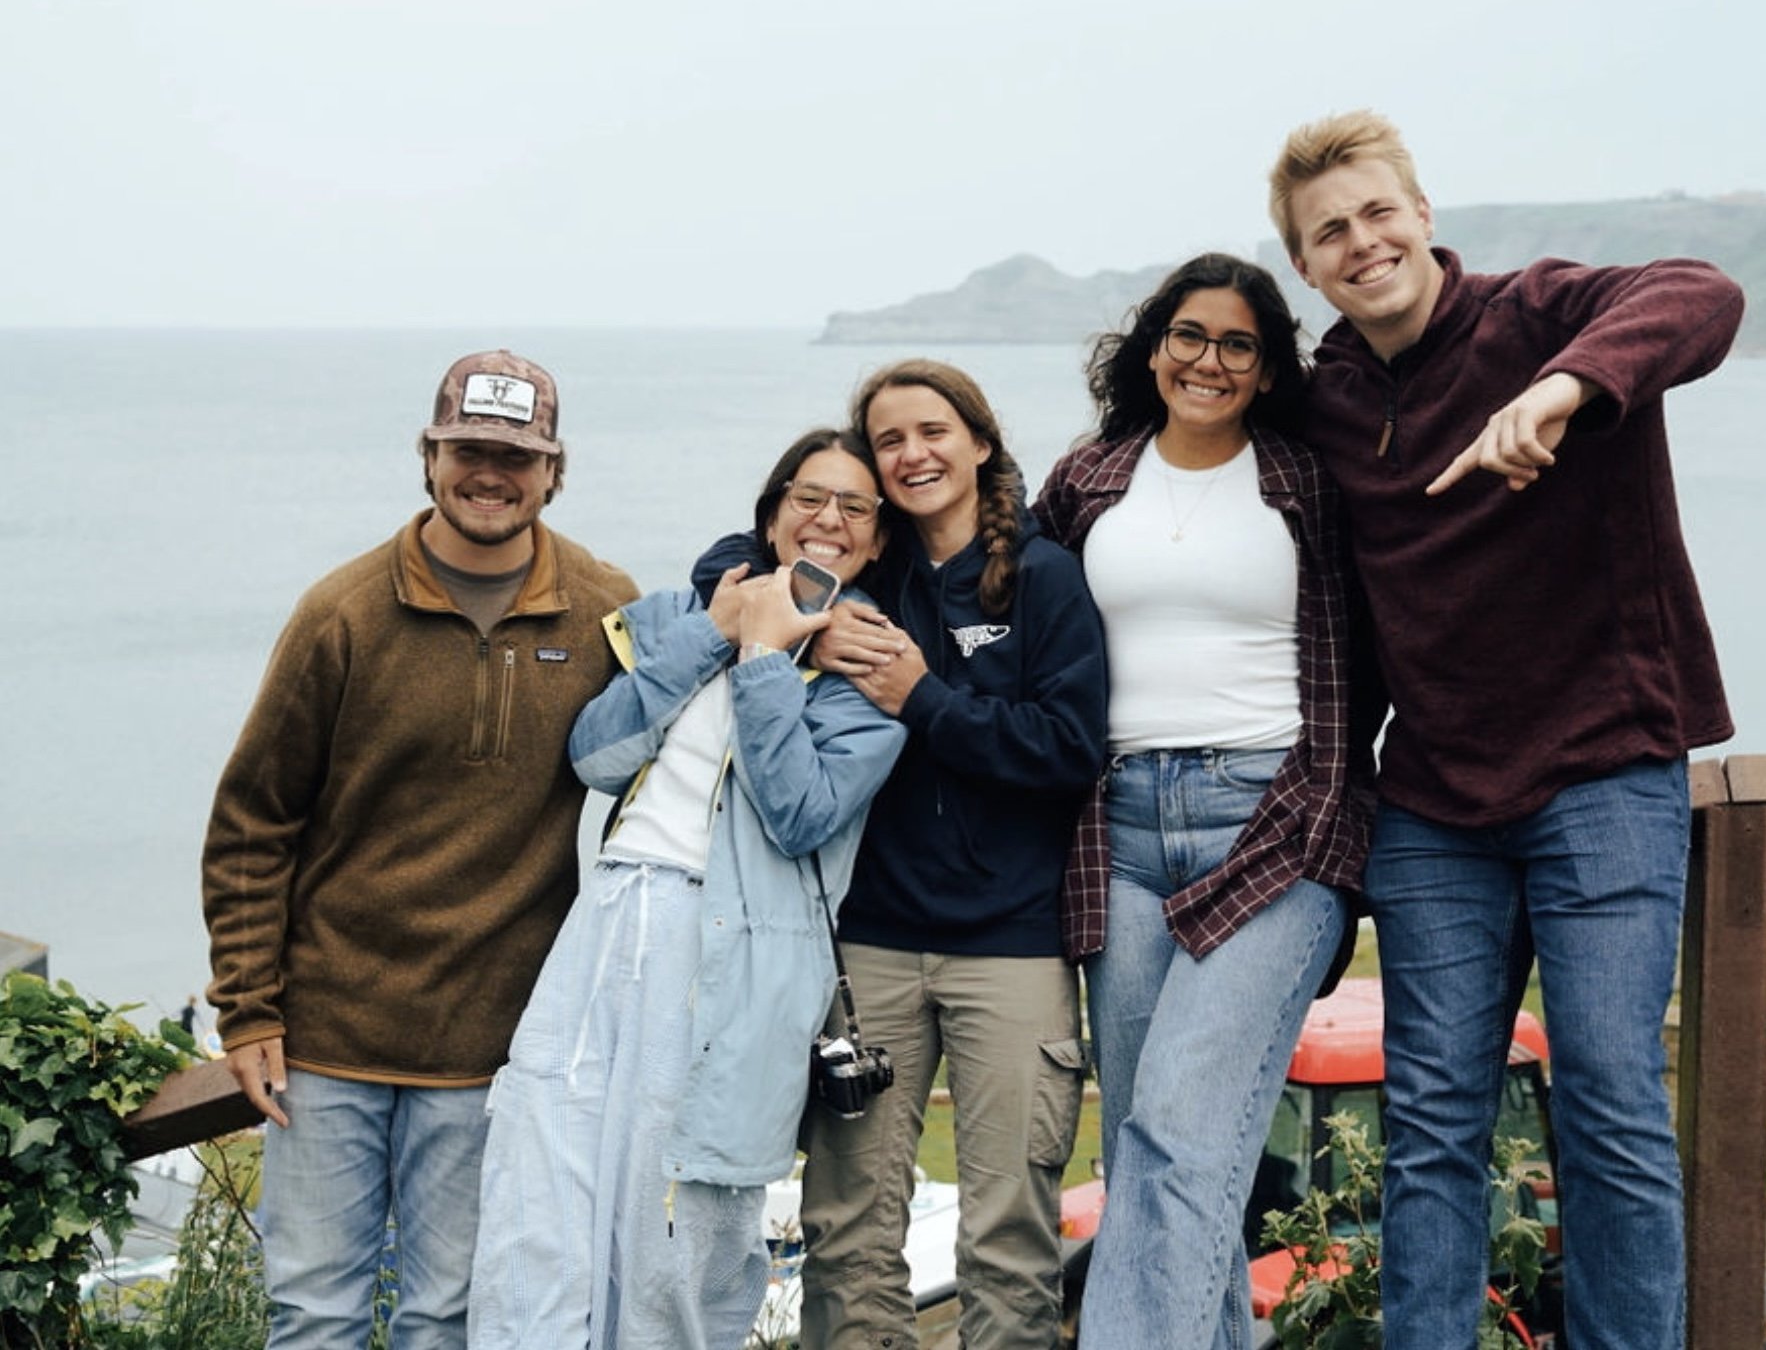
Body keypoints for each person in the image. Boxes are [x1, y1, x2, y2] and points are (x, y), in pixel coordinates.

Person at [1267, 109, 1745, 1350]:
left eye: (1378, 212)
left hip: (1603, 773)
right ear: (1306, 267)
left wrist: (1565, 387)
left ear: (1423, 215)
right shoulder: (1324, 408)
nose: (1361, 241)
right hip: (1432, 806)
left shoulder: (1539, 314)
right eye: (1330, 232)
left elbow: (1701, 291)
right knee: (1432, 1123)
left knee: (1606, 1096)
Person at [201, 349, 637, 1348]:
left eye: (516, 456)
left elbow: (672, 756)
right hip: (325, 1039)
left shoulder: (603, 605)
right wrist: (247, 1007)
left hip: (493, 1044)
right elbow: (252, 821)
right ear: (428, 455)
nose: (491, 473)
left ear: (554, 471)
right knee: (312, 1314)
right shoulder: (340, 612)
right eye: (469, 449)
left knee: (447, 1316)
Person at [467, 428, 907, 1350]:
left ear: (877, 541)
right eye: (806, 496)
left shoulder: (870, 667)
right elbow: (595, 754)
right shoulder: (680, 614)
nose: (826, 519)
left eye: (853, 508)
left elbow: (799, 814)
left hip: (728, 950)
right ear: (773, 511)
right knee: (540, 1186)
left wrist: (763, 665)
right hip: (608, 919)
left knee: (674, 1228)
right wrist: (720, 631)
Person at [1032, 253, 1367, 1350]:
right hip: (1117, 827)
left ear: (1268, 368)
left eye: (1235, 343)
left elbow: (1402, 618)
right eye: (1188, 334)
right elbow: (1001, 596)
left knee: (1179, 1128)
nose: (1207, 360)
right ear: (1154, 346)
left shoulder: (1308, 480)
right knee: (1159, 1147)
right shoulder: (1089, 477)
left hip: (1268, 821)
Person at [796, 360, 1109, 1350]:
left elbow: (1068, 749)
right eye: (889, 441)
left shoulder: (1044, 577)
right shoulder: (867, 574)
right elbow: (750, 549)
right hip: (873, 943)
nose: (911, 453)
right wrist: (805, 624)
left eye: (931, 431)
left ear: (979, 441)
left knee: (1008, 1230)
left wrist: (925, 697)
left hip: (1012, 948)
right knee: (848, 1226)